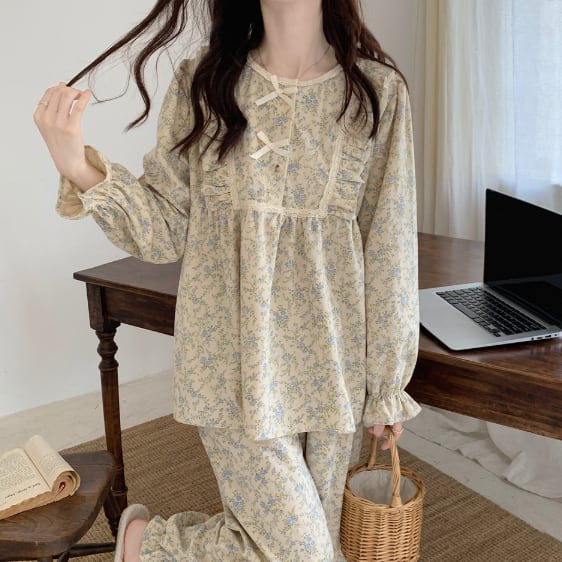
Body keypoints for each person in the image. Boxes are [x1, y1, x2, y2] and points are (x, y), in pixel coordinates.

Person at [34, 0, 421, 560]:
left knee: (314, 541)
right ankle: (151, 546)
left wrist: (386, 383)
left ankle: (143, 546)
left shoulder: (377, 93)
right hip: (228, 361)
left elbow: (390, 245)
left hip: (330, 363)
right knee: (306, 552)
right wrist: (77, 165)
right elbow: (165, 230)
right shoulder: (204, 82)